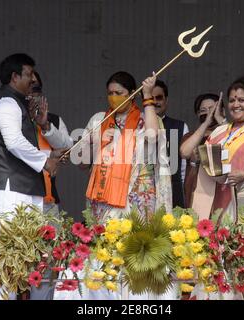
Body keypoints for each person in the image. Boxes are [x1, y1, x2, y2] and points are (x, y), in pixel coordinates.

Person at [72, 71, 174, 300]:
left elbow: (152, 137)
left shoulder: (145, 119)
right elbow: (83, 162)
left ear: (133, 94)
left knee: (133, 259)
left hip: (134, 202)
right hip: (105, 202)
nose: (114, 97)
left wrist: (148, 96)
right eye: (110, 93)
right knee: (106, 257)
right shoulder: (99, 120)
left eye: (119, 93)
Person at [0, 54, 63, 220]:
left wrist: (49, 155)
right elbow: (14, 143)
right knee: (3, 244)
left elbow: (9, 147)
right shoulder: (6, 102)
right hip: (7, 190)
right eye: (29, 74)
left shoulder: (15, 102)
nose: (33, 79)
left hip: (16, 188)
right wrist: (45, 162)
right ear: (15, 77)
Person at [192, 76, 244, 221]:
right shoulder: (219, 132)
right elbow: (195, 157)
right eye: (232, 100)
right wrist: (201, 156)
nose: (235, 104)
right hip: (219, 201)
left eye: (241, 100)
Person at [27, 71, 73, 215]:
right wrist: (50, 155)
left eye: (36, 89)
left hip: (48, 199)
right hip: (20, 199)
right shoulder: (11, 118)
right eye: (29, 86)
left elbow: (68, 147)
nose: (32, 93)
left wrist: (46, 125)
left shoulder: (53, 120)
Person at [179, 93, 226, 208]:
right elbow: (185, 152)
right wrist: (206, 123)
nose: (208, 113)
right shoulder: (191, 136)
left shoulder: (228, 133)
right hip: (197, 190)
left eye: (212, 109)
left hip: (222, 189)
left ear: (222, 111)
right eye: (203, 110)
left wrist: (221, 119)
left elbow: (234, 139)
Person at [152, 80, 189, 208]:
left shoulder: (179, 126)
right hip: (145, 192)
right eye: (151, 98)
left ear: (166, 100)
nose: (155, 102)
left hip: (173, 190)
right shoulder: (137, 127)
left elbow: (182, 168)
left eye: (159, 98)